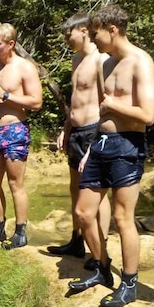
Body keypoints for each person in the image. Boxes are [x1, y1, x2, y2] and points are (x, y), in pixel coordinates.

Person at [68, 5, 154, 307]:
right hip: (101, 143)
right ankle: (102, 266)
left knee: (121, 217)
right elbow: (104, 111)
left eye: (96, 33)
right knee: (83, 212)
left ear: (112, 29)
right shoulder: (106, 64)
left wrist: (113, 105)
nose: (94, 40)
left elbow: (148, 115)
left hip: (127, 145)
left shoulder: (140, 61)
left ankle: (129, 284)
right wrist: (91, 147)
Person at [48, 14, 112, 270]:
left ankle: (101, 248)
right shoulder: (76, 60)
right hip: (75, 130)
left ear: (83, 30)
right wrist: (66, 128)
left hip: (92, 130)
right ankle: (77, 240)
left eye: (68, 34)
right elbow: (75, 100)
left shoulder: (101, 59)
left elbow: (105, 102)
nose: (65, 39)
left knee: (98, 193)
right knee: (75, 187)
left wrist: (97, 136)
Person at [0, 23, 43, 248]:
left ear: (11, 44)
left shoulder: (25, 67)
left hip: (15, 131)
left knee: (15, 184)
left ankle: (20, 231)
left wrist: (6, 95)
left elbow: (36, 102)